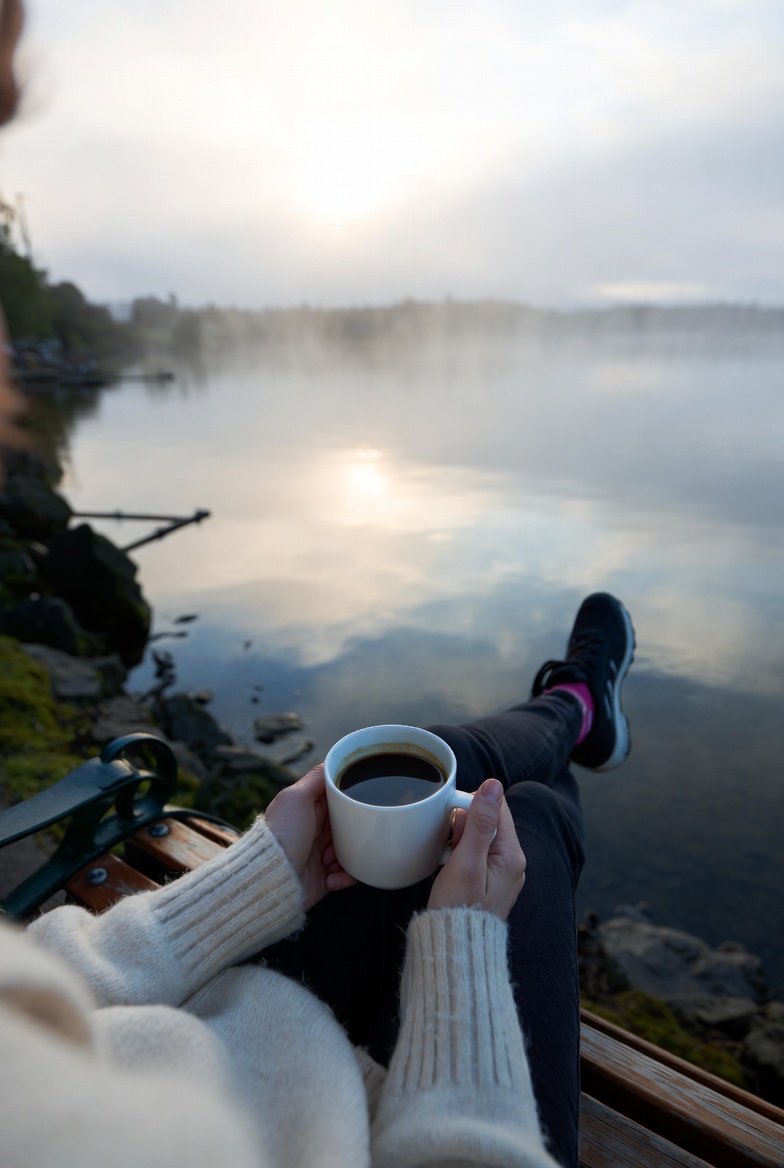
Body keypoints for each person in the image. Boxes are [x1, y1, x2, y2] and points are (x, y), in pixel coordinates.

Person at [0, 591, 635, 1168]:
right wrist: (464, 942)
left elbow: (37, 1000)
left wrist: (255, 877)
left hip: (223, 1019)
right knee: (535, 815)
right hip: (371, 1121)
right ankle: (575, 708)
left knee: (439, 751)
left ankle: (572, 708)